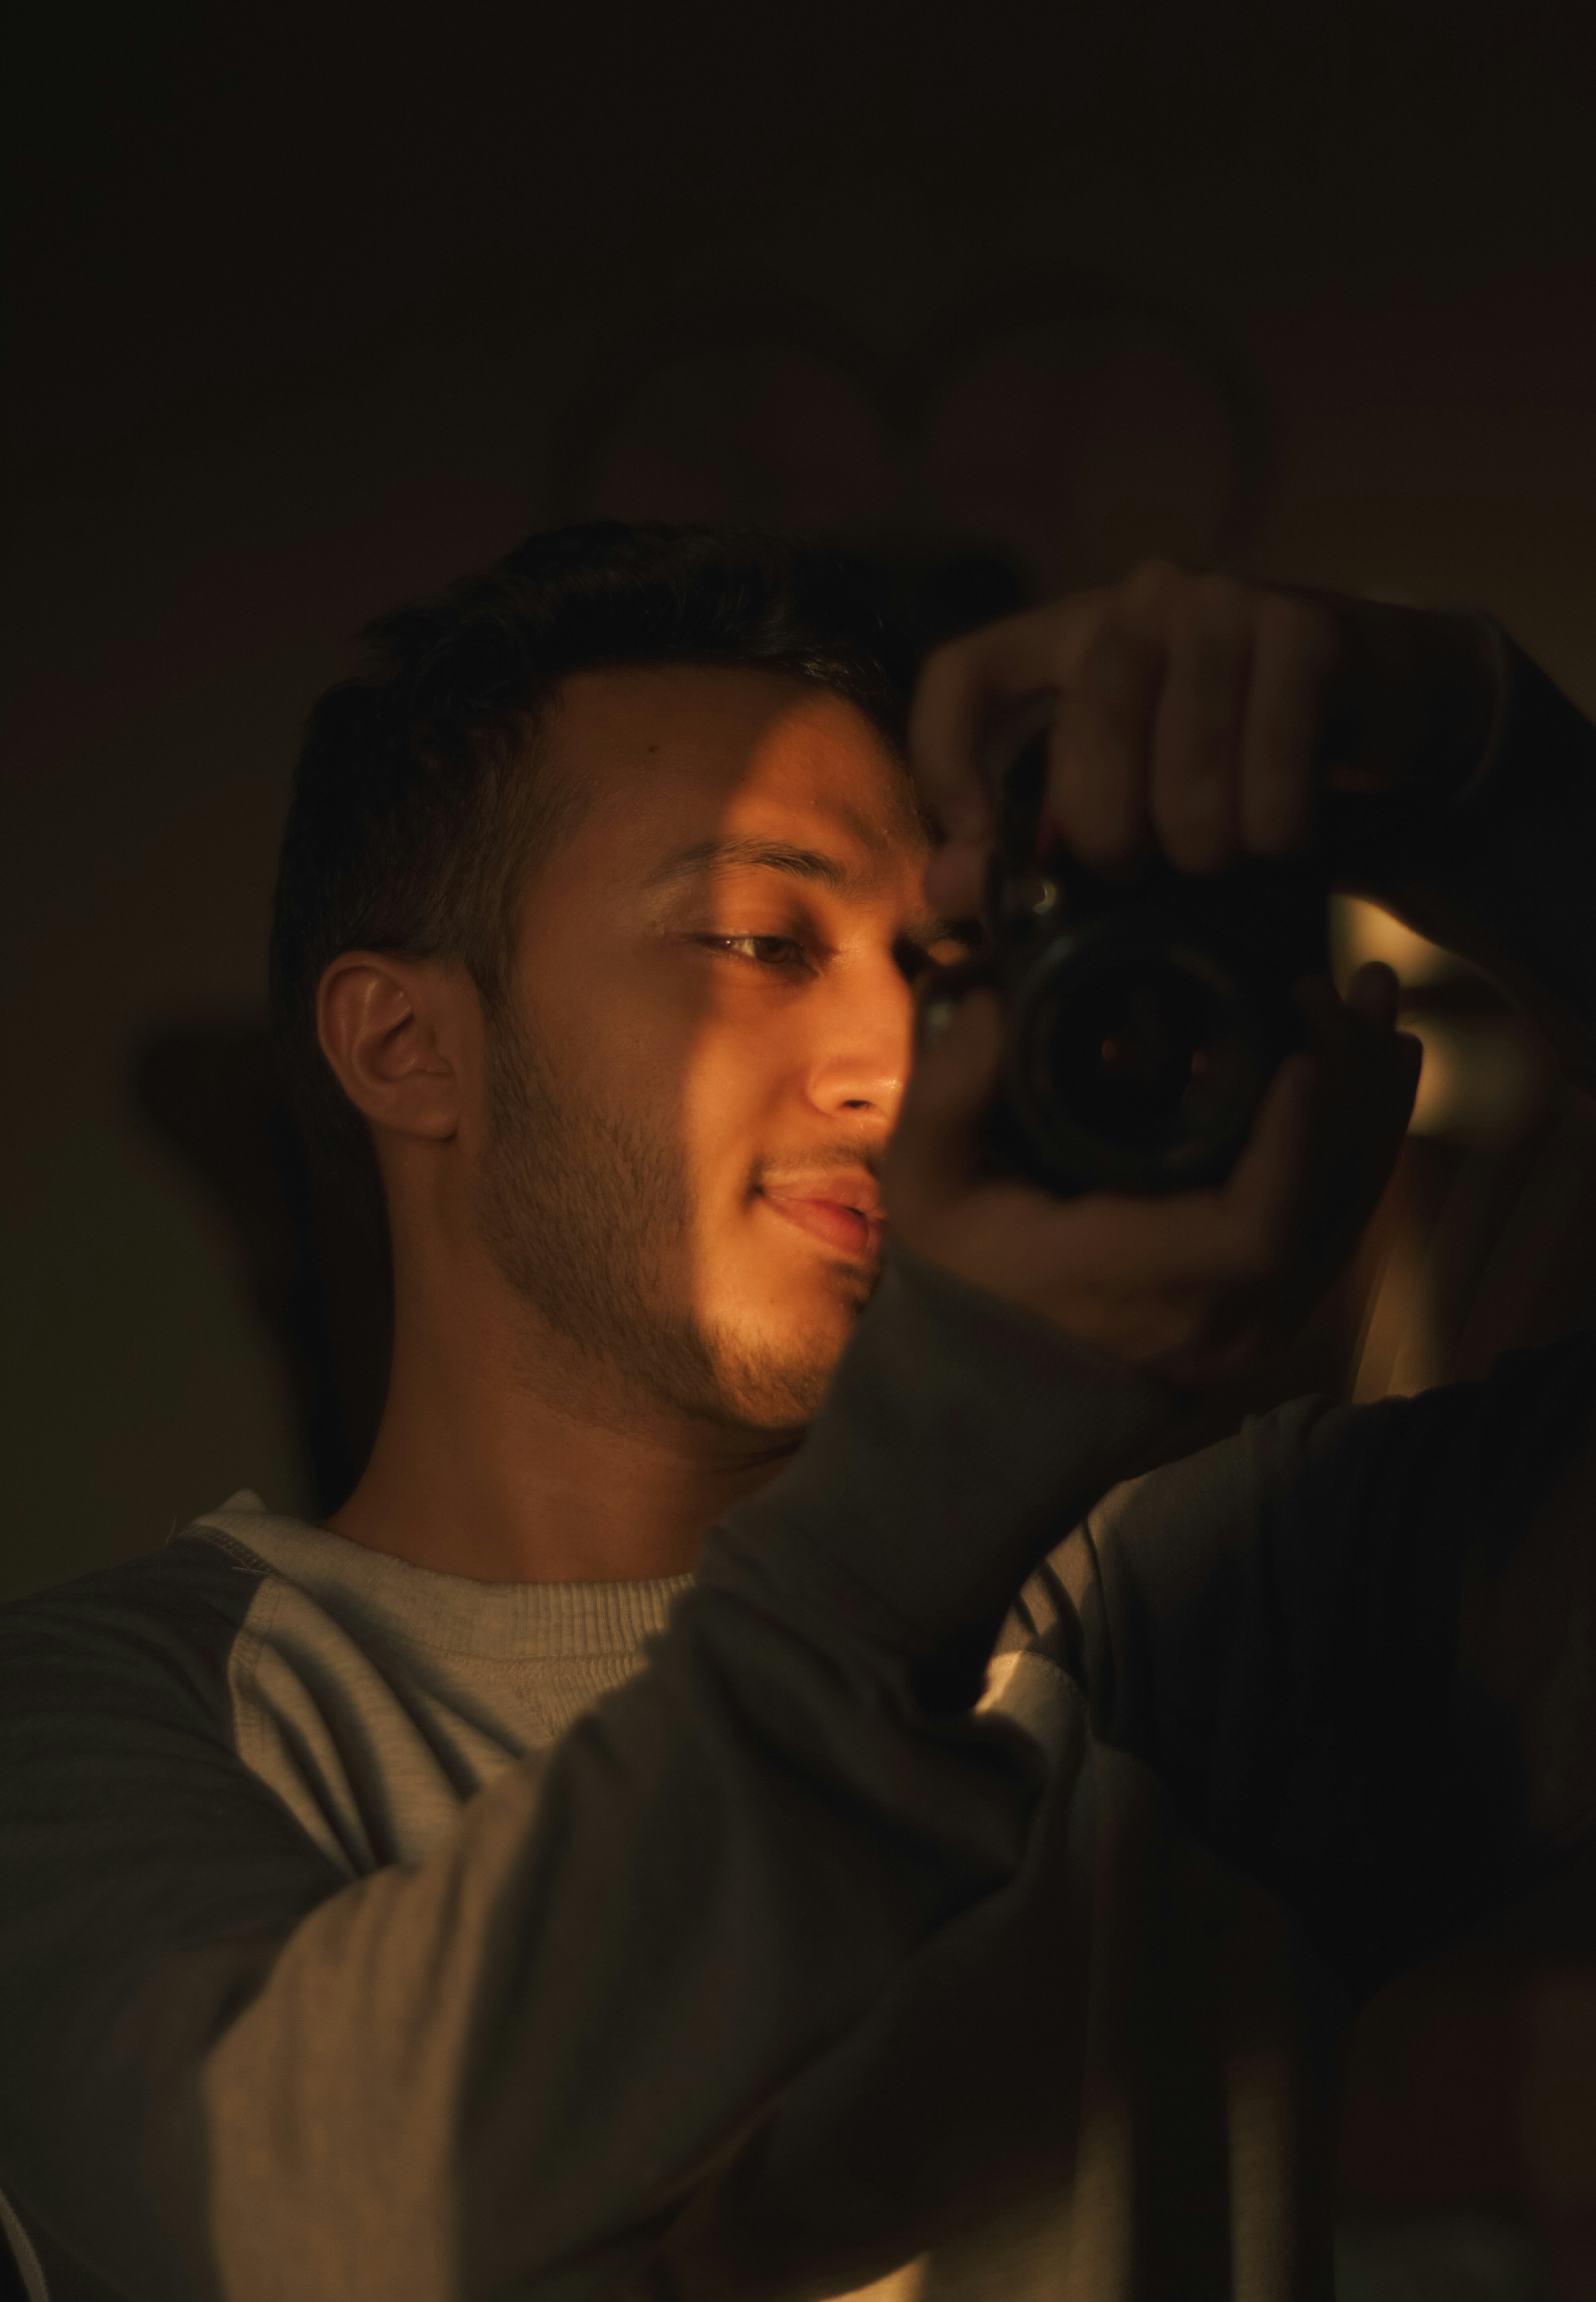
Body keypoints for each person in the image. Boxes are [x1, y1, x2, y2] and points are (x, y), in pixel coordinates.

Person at [2, 525, 1592, 2302]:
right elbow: (304, 2217)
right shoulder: (91, 1729)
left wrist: (1499, 788)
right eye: (762, 939)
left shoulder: (1200, 1640)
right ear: (405, 1046)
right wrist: (967, 1438)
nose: (900, 1061)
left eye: (942, 968)